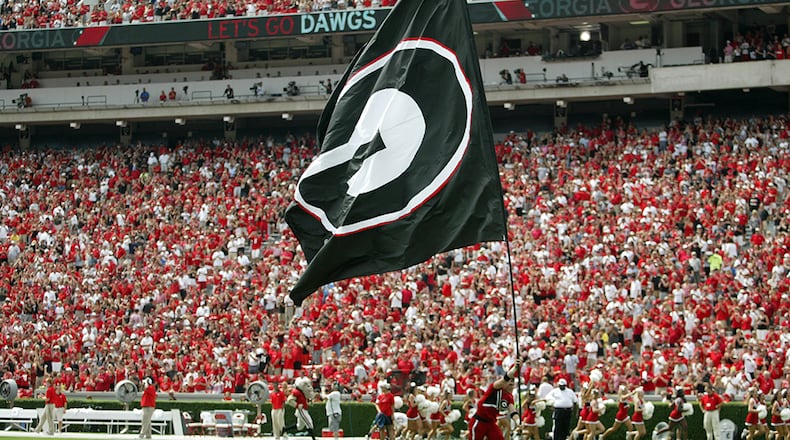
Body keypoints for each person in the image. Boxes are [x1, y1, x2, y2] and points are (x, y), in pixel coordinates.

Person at [469, 359, 521, 440]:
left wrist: (518, 422)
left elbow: (513, 411)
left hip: (491, 423)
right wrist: (514, 368)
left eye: (512, 384)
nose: (511, 386)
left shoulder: (509, 397)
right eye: (509, 383)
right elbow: (504, 379)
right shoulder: (494, 388)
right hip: (479, 421)